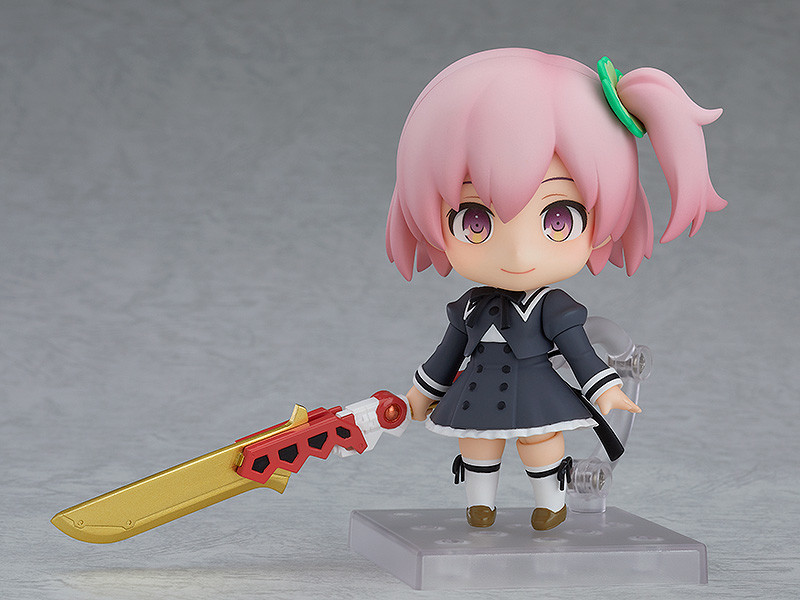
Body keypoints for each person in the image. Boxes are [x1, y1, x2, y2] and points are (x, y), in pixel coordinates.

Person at [385, 49, 725, 530]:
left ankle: (550, 502)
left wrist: (607, 390)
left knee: (541, 443)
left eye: (558, 219)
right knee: (477, 443)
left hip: (536, 390)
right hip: (478, 391)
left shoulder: (554, 308)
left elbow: (581, 354)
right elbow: (446, 355)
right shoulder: (467, 309)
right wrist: (420, 394)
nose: (519, 253)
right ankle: (480, 503)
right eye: (475, 220)